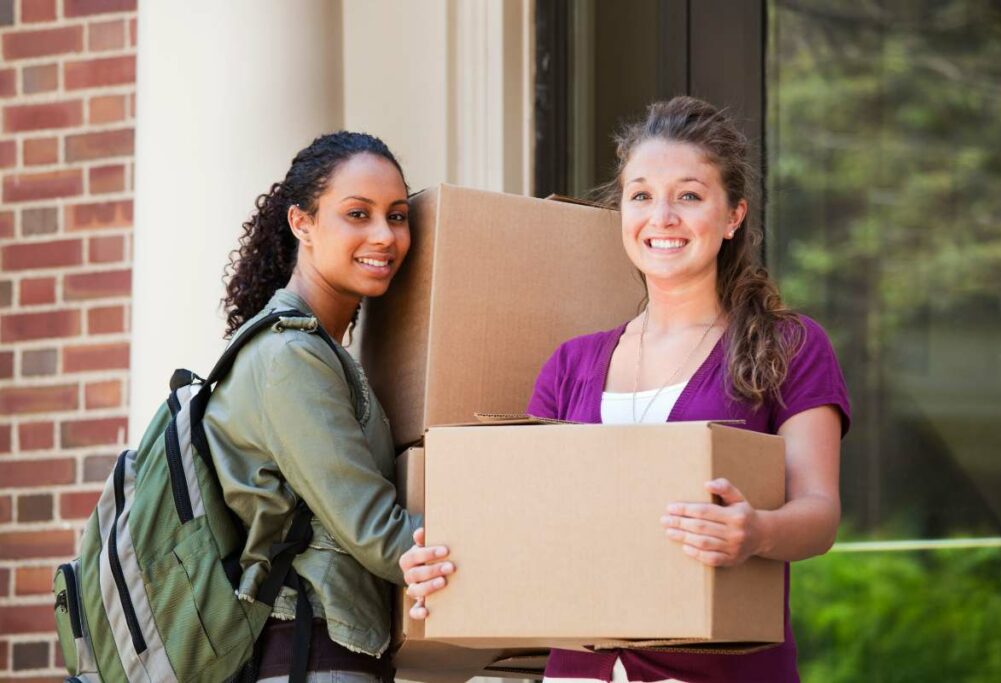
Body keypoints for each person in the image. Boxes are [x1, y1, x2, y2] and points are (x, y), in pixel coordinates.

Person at [402, 96, 850, 683]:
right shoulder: (571, 364)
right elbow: (533, 524)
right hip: (581, 674)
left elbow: (819, 514)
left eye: (689, 196)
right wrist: (446, 564)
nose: (661, 216)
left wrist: (757, 532)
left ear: (733, 215)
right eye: (640, 195)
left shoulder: (788, 345)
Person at [207, 131, 441, 682]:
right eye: (357, 214)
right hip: (310, 656)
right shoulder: (290, 357)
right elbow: (379, 534)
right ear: (302, 223)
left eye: (398, 216)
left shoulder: (321, 350)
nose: (385, 235)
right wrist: (525, 535)